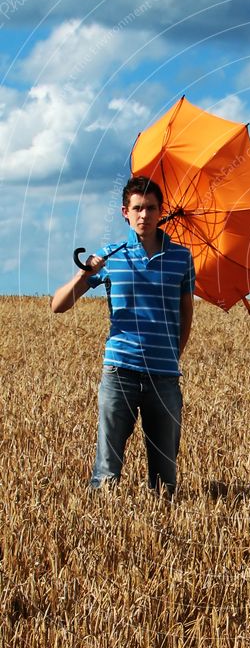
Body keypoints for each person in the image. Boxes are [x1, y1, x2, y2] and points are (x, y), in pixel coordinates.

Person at [51, 176, 195, 497]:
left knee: (165, 480)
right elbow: (58, 305)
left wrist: (173, 355)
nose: (144, 215)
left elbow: (186, 313)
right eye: (138, 208)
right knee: (106, 471)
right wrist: (85, 272)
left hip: (164, 377)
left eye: (151, 208)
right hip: (119, 374)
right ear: (125, 212)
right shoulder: (109, 256)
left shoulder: (182, 258)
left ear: (162, 212)